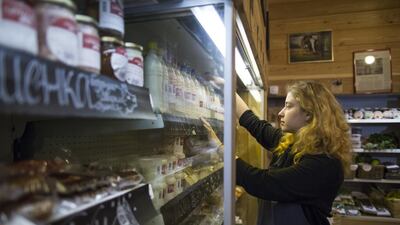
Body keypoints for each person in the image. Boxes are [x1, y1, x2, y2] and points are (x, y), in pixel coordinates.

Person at [204, 81, 352, 225]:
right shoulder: (293, 142)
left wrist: (220, 149)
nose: (281, 113)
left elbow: (264, 183)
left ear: (308, 113)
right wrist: (228, 88)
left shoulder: (324, 163)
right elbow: (256, 125)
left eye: (288, 106)